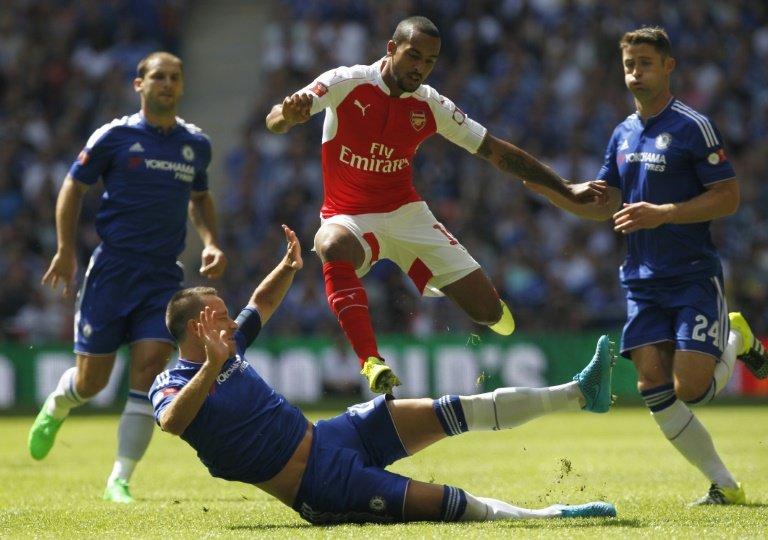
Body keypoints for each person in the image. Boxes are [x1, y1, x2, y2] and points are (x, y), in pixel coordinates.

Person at [150, 224, 618, 524]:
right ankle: (551, 516)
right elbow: (171, 423)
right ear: (195, 328)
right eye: (220, 318)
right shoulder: (173, 382)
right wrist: (211, 366)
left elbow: (262, 303)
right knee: (447, 504)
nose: (232, 323)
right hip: (320, 487)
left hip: (334, 436)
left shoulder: (230, 349)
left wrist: (288, 267)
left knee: (451, 409)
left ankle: (580, 392)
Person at [265, 15, 606, 394]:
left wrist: (564, 187)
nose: (421, 68)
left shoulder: (430, 105)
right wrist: (288, 117)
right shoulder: (346, 82)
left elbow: (494, 151)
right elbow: (275, 118)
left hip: (407, 214)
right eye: (414, 56)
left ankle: (473, 298)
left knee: (487, 313)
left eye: (430, 61)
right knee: (329, 243)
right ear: (391, 49)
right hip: (350, 218)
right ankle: (371, 362)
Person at [527, 26, 768, 506]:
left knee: (693, 390)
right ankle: (724, 484)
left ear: (668, 67)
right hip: (641, 281)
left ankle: (736, 335)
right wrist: (551, 192)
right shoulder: (622, 132)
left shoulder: (692, 127)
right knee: (652, 387)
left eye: (645, 63)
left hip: (691, 275)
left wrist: (666, 213)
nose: (635, 72)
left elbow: (729, 197)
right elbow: (605, 204)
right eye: (628, 65)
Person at [28, 51, 227, 503]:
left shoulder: (196, 144)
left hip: (161, 277)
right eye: (159, 77)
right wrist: (64, 250)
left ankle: (120, 479)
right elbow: (72, 187)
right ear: (139, 84)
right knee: (93, 383)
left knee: (150, 368)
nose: (168, 84)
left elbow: (200, 196)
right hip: (113, 271)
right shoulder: (114, 137)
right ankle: (60, 404)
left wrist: (212, 241)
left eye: (176, 77)